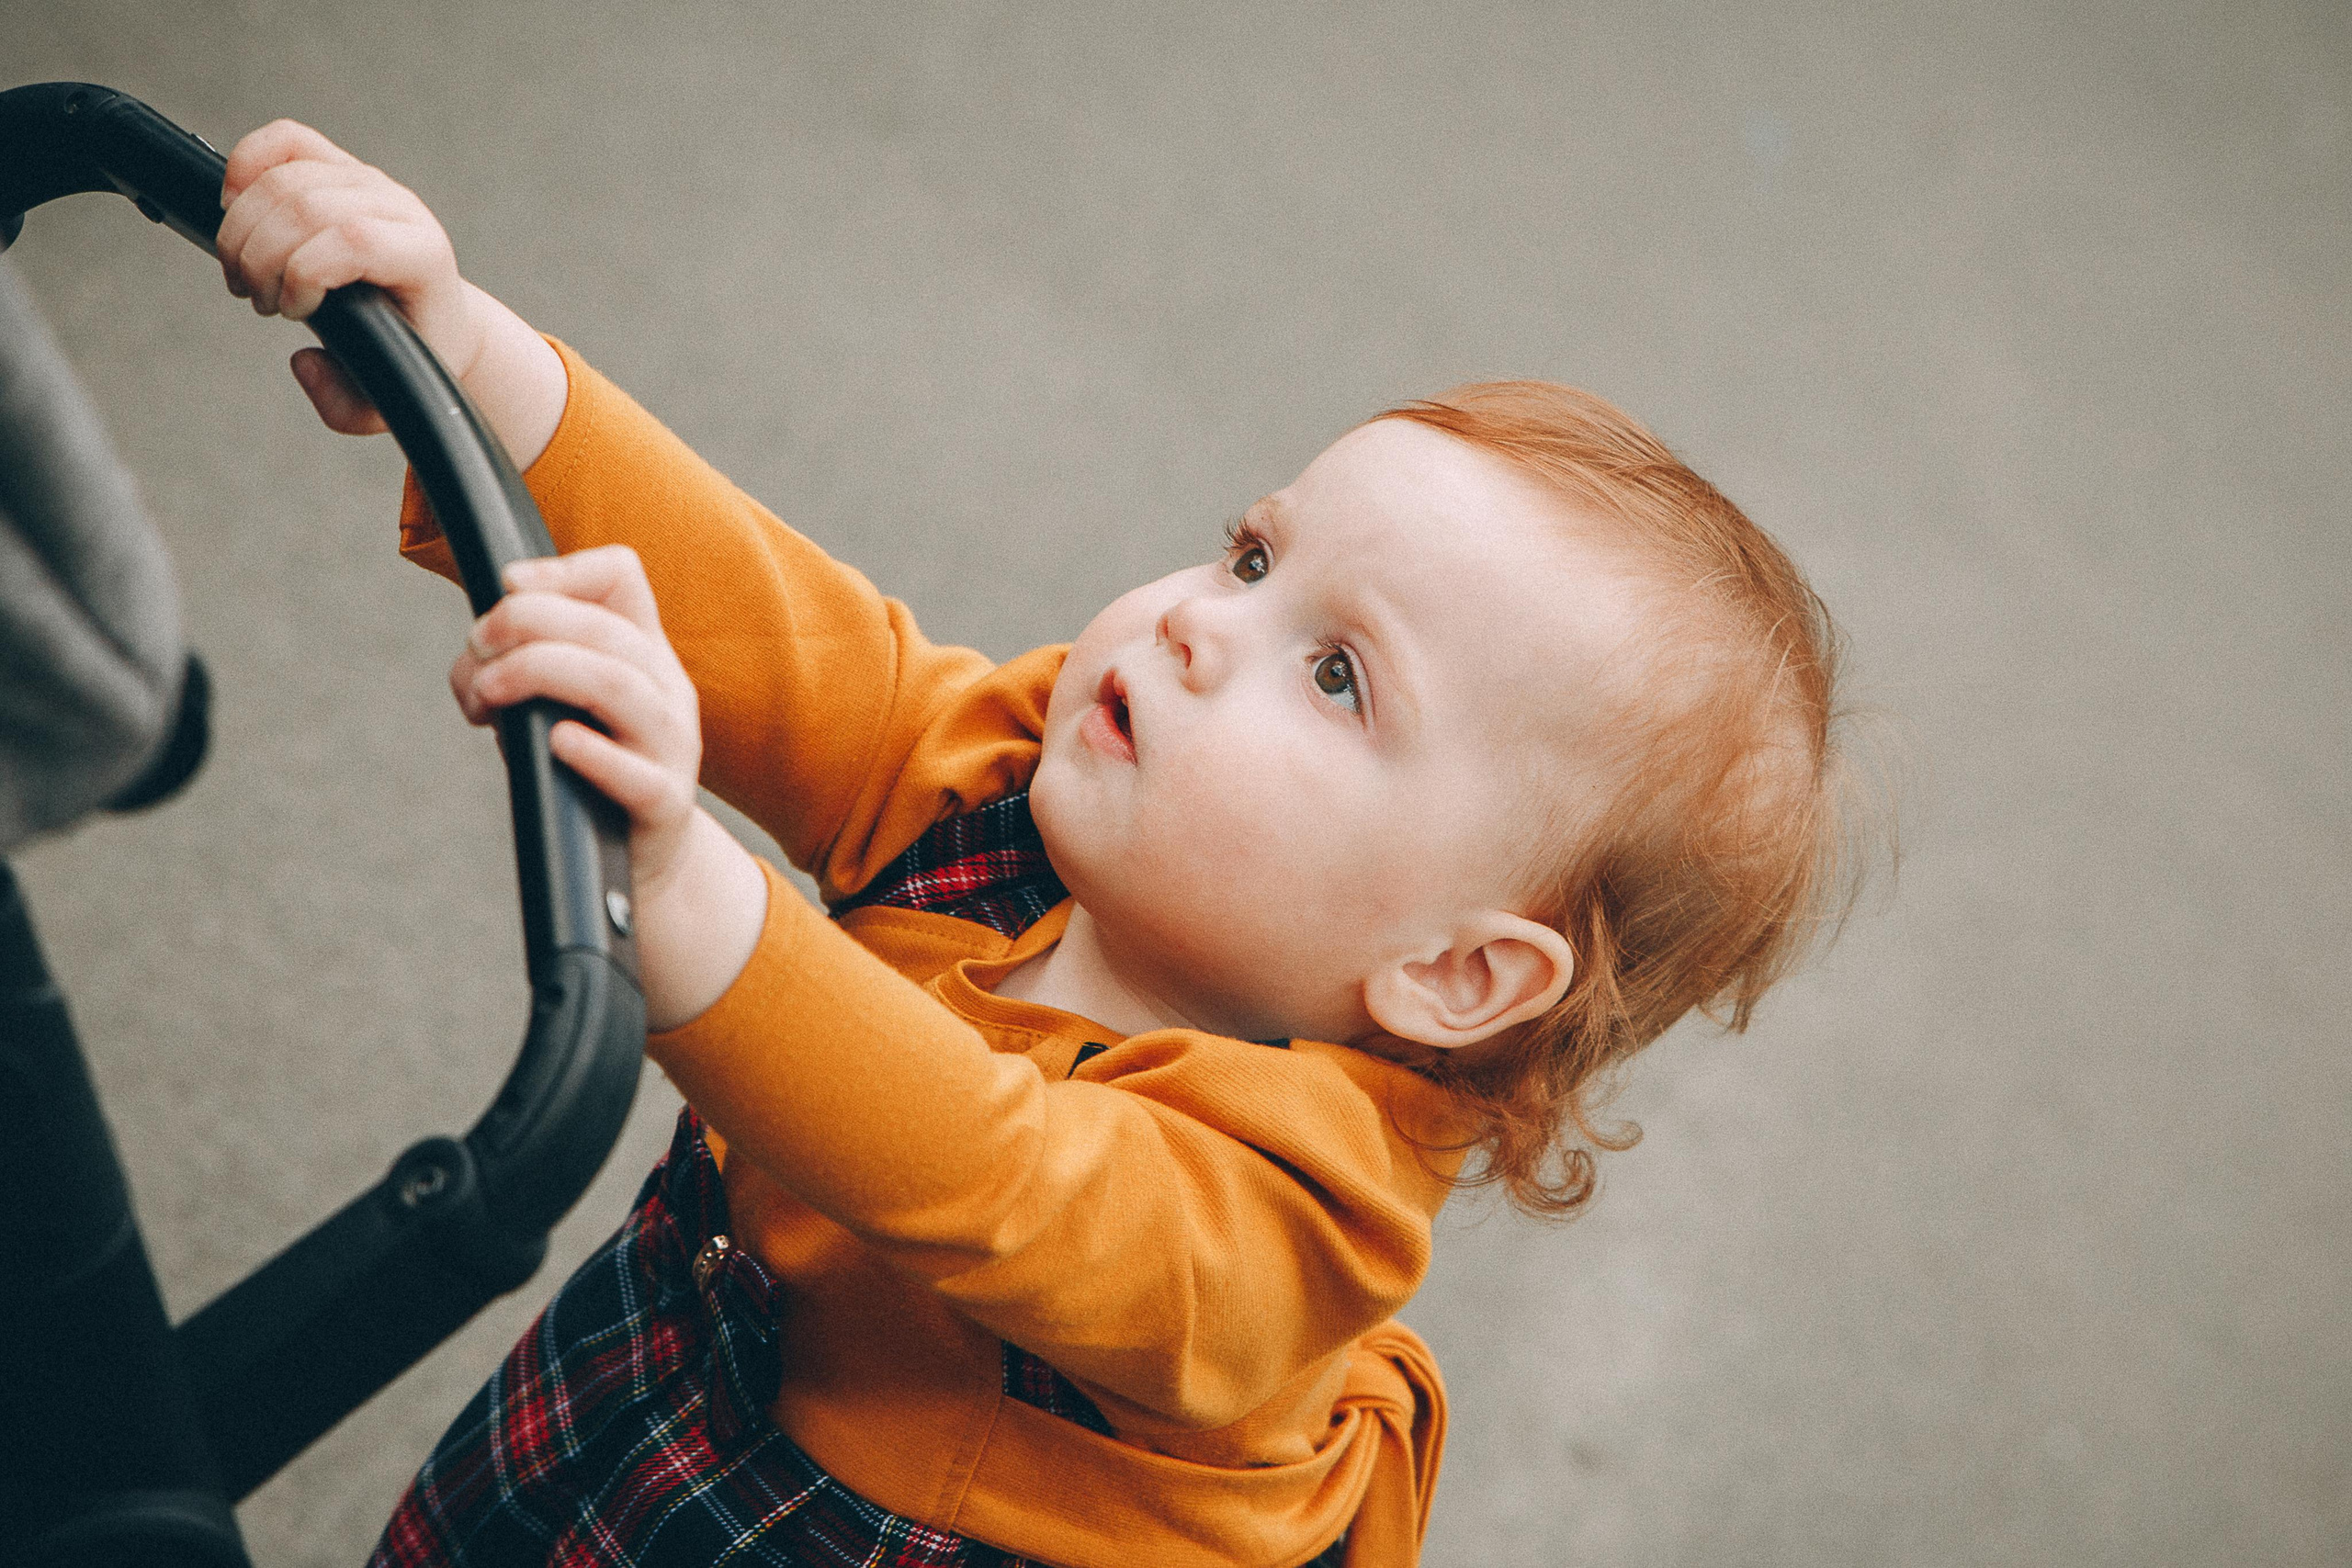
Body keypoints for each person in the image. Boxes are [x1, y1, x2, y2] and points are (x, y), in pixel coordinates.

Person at [215, 119, 1866, 1568]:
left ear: (1455, 972)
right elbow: (806, 648)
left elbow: (995, 1171)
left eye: (1338, 674)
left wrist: (675, 882)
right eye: (1252, 558)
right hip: (635, 1397)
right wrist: (475, 364)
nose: (1201, 624)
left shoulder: (1287, 1233)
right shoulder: (1043, 791)